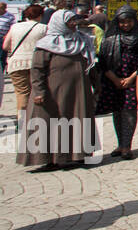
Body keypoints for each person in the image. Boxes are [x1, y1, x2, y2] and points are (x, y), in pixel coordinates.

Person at [17, 10, 98, 170]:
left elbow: (92, 64)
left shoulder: (81, 41)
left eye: (74, 20)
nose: (73, 24)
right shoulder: (46, 44)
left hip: (78, 91)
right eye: (70, 21)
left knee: (78, 120)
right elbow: (37, 69)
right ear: (59, 23)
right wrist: (39, 91)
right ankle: (51, 159)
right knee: (51, 123)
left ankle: (79, 155)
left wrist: (97, 86)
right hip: (53, 92)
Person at [97, 6, 138, 160]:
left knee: (130, 112)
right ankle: (120, 144)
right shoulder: (110, 37)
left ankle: (127, 145)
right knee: (117, 112)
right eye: (122, 22)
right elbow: (103, 61)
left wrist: (132, 78)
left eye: (129, 21)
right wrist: (115, 79)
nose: (126, 25)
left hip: (134, 79)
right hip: (114, 79)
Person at [3, 6, 46, 117]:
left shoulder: (15, 27)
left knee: (22, 93)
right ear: (40, 15)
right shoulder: (44, 28)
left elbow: (5, 46)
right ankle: (36, 118)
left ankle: (22, 119)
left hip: (16, 63)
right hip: (37, 63)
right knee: (37, 92)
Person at [0, 1, 14, 79]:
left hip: (3, 38)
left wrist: (7, 36)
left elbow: (12, 28)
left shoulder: (10, 16)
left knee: (2, 56)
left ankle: (1, 73)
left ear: (4, 9)